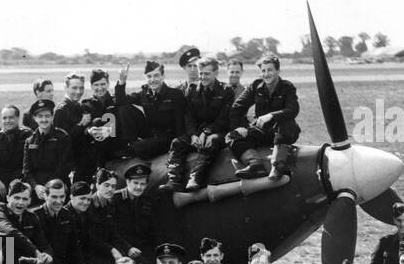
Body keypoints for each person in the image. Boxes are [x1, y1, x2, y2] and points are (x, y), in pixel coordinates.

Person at [228, 53, 300, 180]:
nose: (266, 74)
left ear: (278, 70)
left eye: (270, 70)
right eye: (263, 71)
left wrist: (271, 115)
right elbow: (237, 108)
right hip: (263, 130)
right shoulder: (256, 86)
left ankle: (277, 166)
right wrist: (240, 128)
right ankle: (255, 164)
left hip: (284, 131)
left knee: (283, 121)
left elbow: (293, 109)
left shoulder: (287, 87)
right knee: (232, 136)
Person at [167, 56, 234, 192]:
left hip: (218, 131)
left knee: (212, 141)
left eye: (207, 74)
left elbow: (223, 119)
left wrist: (207, 132)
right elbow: (189, 116)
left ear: (216, 73)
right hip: (197, 132)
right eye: (201, 73)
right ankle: (173, 179)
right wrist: (192, 135)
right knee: (177, 143)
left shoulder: (226, 91)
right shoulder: (192, 90)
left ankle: (195, 177)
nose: (202, 77)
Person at [114, 60, 184, 159]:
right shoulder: (144, 93)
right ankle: (130, 143)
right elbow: (121, 102)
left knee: (140, 147)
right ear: (145, 77)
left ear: (163, 76)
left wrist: (178, 144)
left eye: (156, 75)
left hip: (168, 137)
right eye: (149, 76)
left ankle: (132, 148)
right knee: (124, 108)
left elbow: (180, 122)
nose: (152, 80)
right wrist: (122, 82)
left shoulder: (175, 94)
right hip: (151, 134)